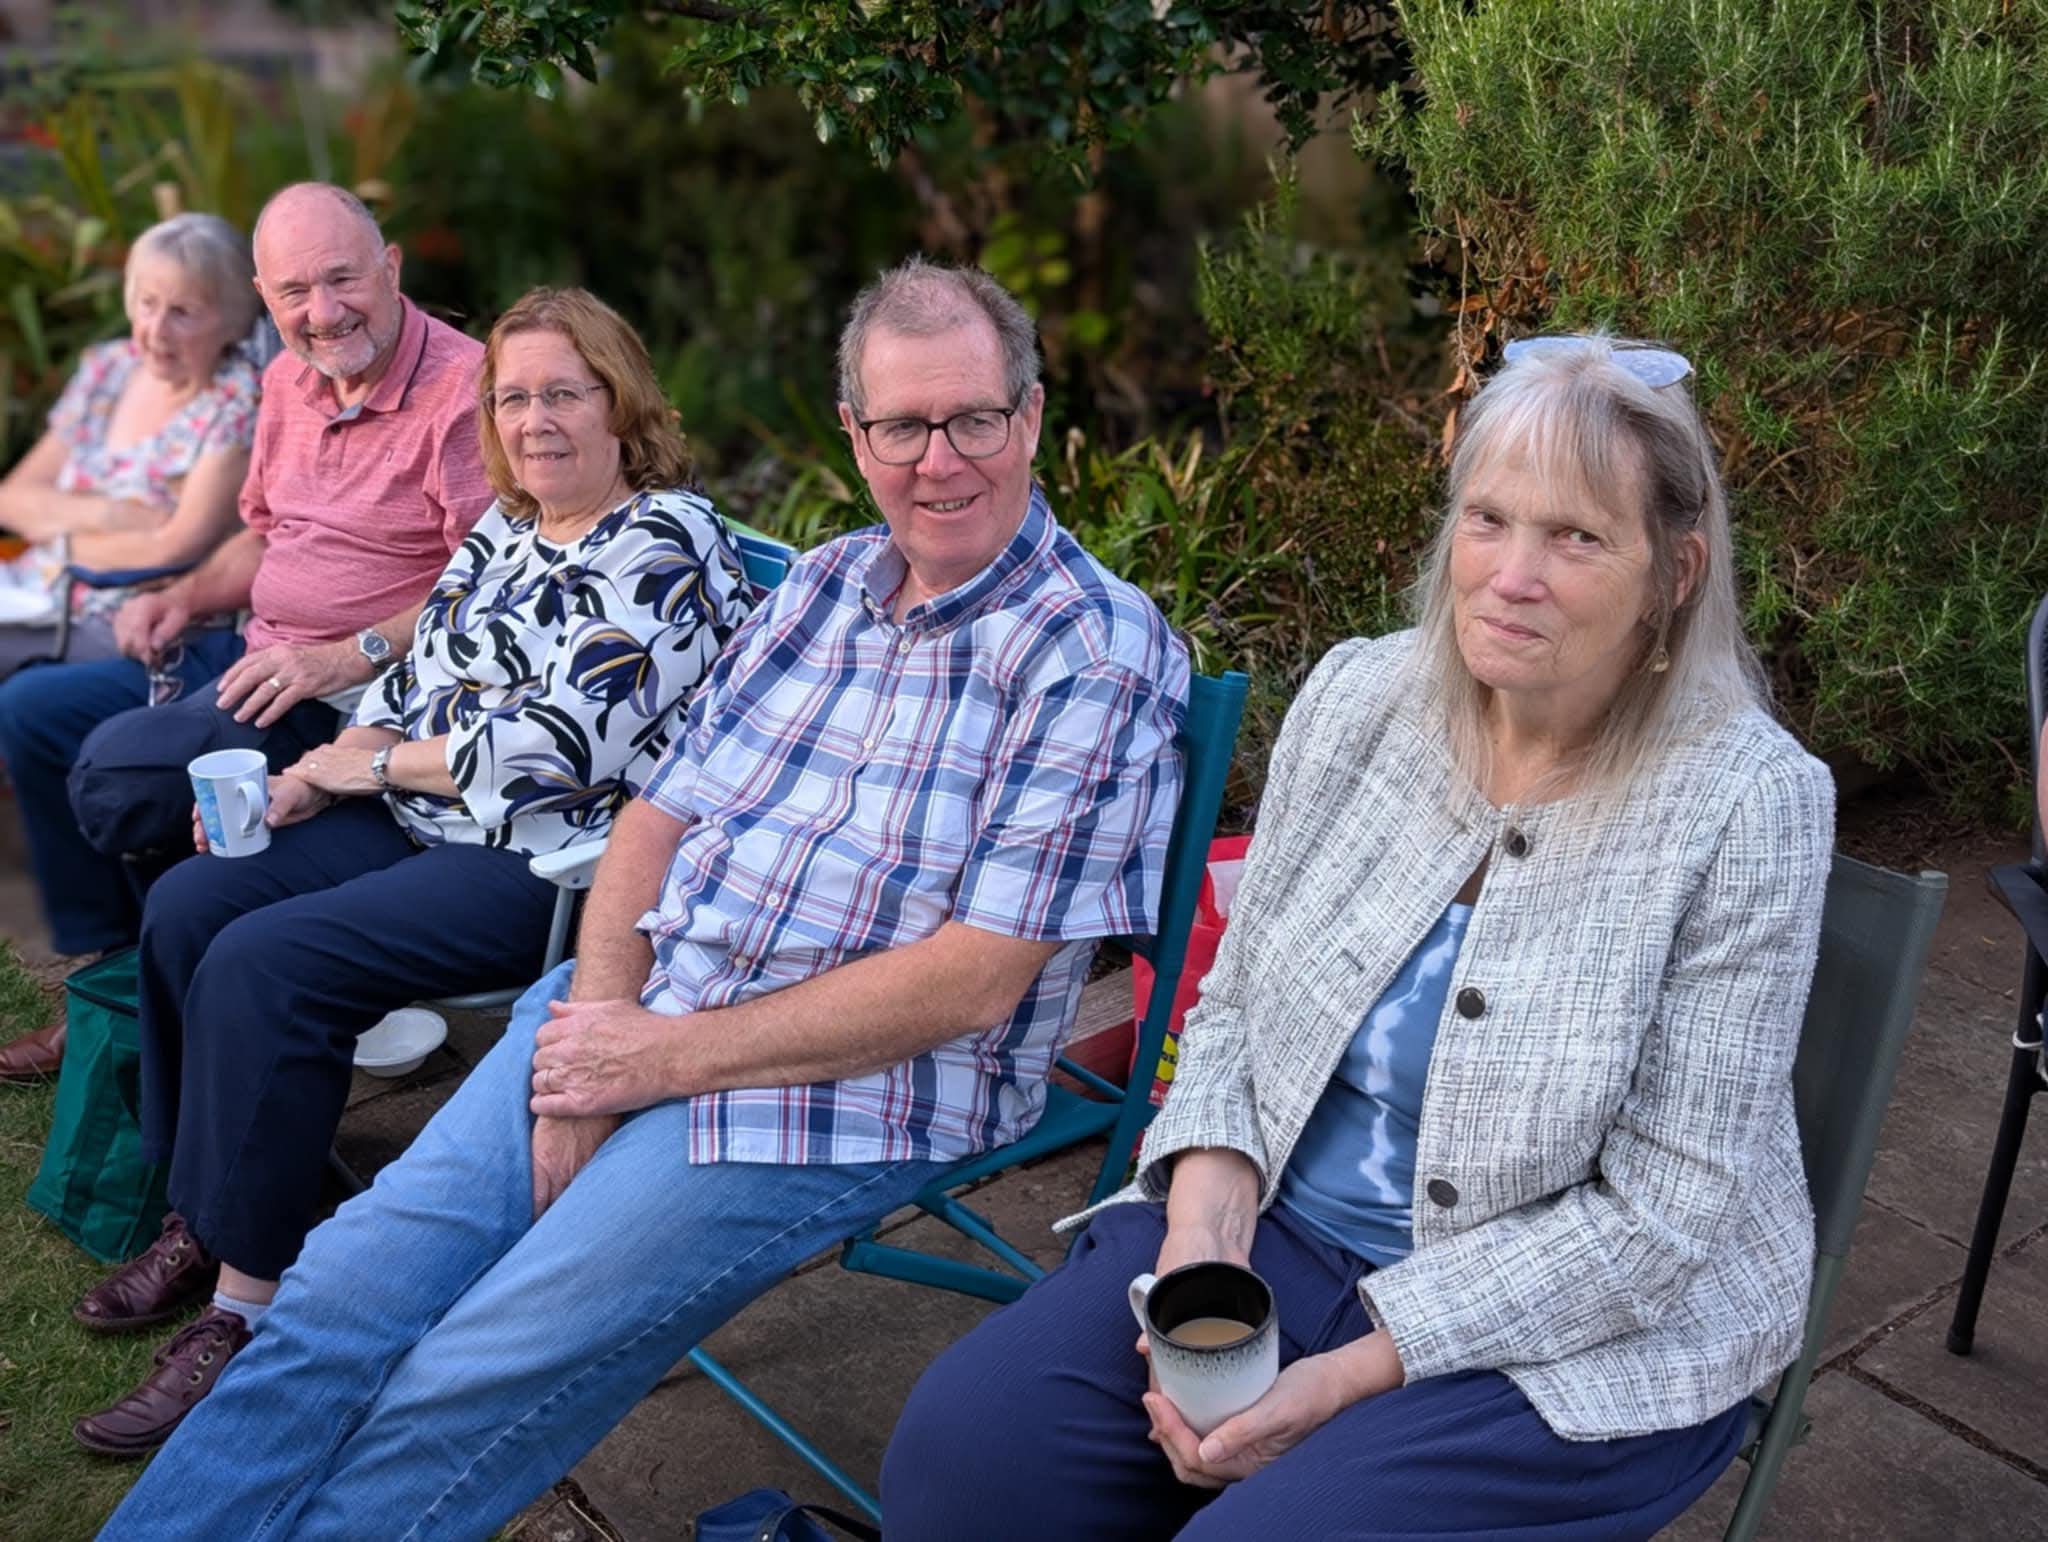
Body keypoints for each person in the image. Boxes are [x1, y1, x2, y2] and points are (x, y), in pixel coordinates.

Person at [97, 257, 1189, 1540]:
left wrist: (648, 1062)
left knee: (469, 1369)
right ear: (853, 434)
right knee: (333, 1298)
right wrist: (595, 1040)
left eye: (972, 419)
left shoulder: (1093, 653)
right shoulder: (826, 588)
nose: (937, 460)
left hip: (840, 1091)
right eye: (900, 425)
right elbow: (658, 814)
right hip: (632, 1011)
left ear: (1032, 418)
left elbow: (977, 977)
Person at [884, 335, 1836, 1541]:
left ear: (1674, 570)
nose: (1510, 575)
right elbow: (1230, 1011)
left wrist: (1338, 1377)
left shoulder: (1748, 802)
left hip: (1572, 1334)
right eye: (1486, 520)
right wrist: (1198, 1252)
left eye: (1576, 537)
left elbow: (1659, 1217)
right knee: (962, 1457)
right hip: (1282, 1223)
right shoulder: (1359, 700)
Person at [64, 285, 754, 1457]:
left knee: (272, 962)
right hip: (418, 812)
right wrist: (314, 771)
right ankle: (208, 1211)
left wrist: (370, 763)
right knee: (190, 902)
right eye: (514, 396)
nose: (536, 420)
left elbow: (561, 750)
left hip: (549, 869)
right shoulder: (507, 528)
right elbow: (418, 677)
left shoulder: (666, 543)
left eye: (563, 394)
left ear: (619, 403)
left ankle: (250, 1307)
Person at [0, 182, 492, 1081]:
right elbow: (267, 532)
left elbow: (488, 586)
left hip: (360, 692)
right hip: (254, 648)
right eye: (295, 293)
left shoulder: (466, 393)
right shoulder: (284, 379)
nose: (324, 312)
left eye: (343, 279)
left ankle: (180, 991)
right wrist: (185, 596)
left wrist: (345, 653)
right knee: (37, 714)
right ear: (267, 301)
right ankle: (120, 973)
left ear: (391, 268)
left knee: (120, 776)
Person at [0, 212, 264, 680]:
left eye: (182, 313)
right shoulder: (110, 369)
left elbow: (174, 547)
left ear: (233, 320)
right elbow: (11, 498)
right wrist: (110, 515)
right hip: (30, 593)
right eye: (147, 304)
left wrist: (54, 530)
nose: (156, 331)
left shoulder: (236, 402)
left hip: (122, 617)